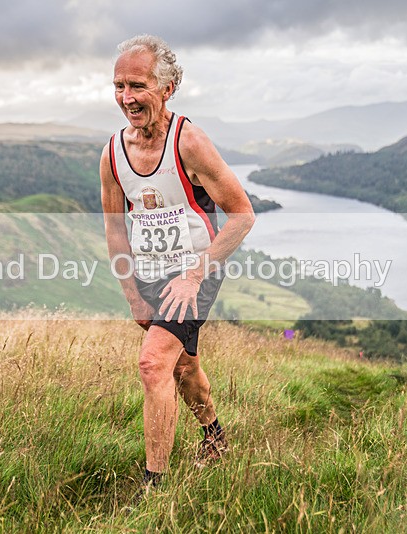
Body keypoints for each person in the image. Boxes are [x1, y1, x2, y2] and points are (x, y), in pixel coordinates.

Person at [99, 35, 255, 496]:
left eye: (138, 86)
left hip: (195, 271)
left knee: (153, 364)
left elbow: (242, 215)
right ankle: (215, 437)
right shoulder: (112, 154)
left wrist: (193, 275)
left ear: (167, 88)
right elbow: (115, 229)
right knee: (183, 368)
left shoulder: (189, 141)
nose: (126, 98)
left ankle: (155, 487)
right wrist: (131, 293)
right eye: (119, 86)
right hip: (147, 275)